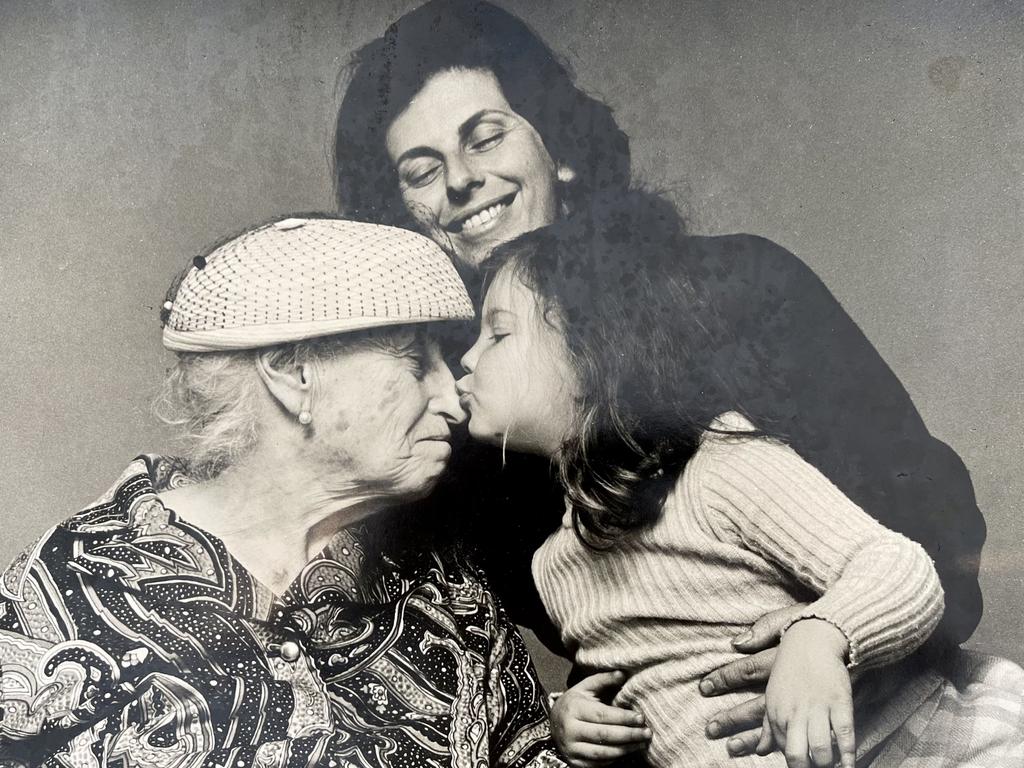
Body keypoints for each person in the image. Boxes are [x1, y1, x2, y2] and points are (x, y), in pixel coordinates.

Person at [332, 0, 988, 757]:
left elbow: (931, 532)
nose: (463, 181)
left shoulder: (744, 286)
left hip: (888, 710)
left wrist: (833, 652)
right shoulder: (467, 415)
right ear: (406, 218)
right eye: (422, 171)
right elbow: (615, 630)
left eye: (486, 136)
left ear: (562, 148)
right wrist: (563, 709)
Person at [456, 190, 1024, 768]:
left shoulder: (719, 466)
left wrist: (819, 635)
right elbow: (653, 677)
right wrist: (565, 715)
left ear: (592, 354)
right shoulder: (555, 565)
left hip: (924, 744)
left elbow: (899, 569)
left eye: (498, 335)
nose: (468, 360)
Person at [0, 216, 566, 768]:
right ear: (292, 371)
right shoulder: (74, 579)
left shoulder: (450, 590)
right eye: (417, 361)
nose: (453, 398)